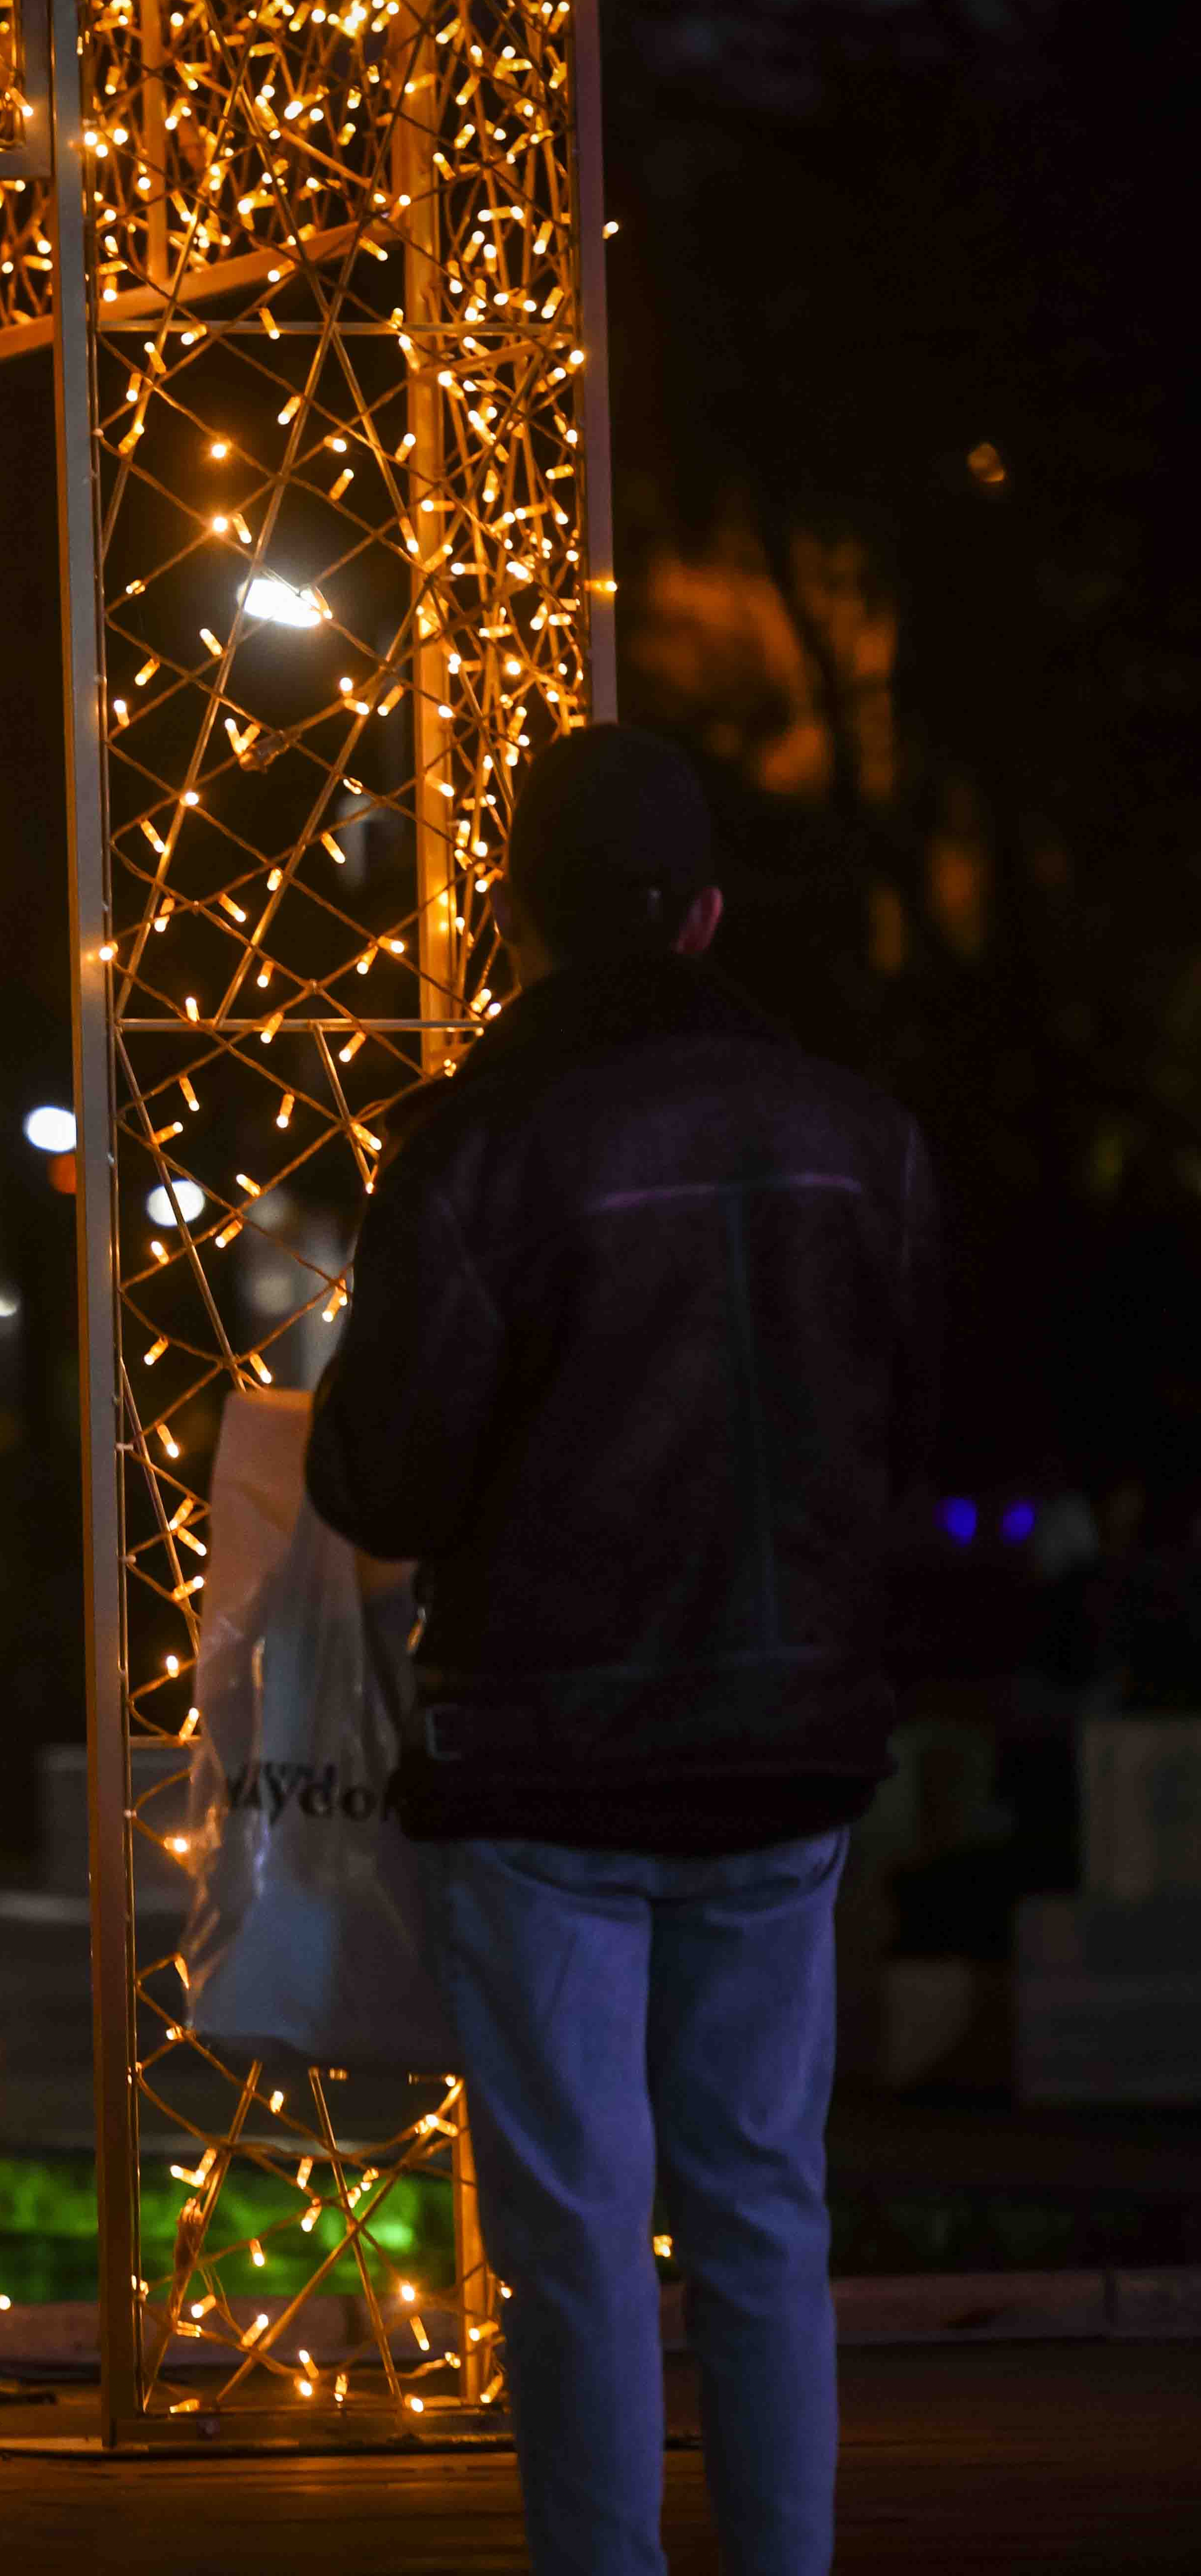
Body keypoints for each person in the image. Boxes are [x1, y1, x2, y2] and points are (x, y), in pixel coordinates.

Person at [307, 725, 937, 2576]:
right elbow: (913, 1434)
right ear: (709, 916)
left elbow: (385, 1482)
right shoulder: (861, 1139)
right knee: (763, 2205)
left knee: (574, 2230)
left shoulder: (479, 1151)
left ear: (517, 919)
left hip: (546, 1760)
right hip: (785, 1738)